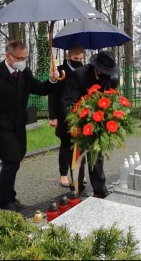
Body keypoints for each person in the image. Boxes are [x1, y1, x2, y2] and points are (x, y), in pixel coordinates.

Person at [0, 40, 59, 212]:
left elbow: (40, 88)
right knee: (11, 161)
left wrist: (51, 80)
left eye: (25, 58)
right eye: (19, 58)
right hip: (0, 127)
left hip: (18, 126)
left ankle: (11, 197)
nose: (23, 61)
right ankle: (5, 202)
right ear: (8, 56)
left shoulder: (24, 73)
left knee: (15, 161)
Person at [61, 50, 119, 198]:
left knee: (96, 154)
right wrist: (77, 122)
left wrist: (108, 117)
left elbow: (112, 98)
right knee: (78, 155)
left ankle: (99, 189)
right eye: (103, 71)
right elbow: (69, 102)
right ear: (97, 68)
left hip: (98, 119)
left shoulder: (111, 77)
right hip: (79, 118)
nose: (106, 74)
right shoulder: (80, 75)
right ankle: (76, 188)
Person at [48, 45, 86, 187]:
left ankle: (78, 174)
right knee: (66, 144)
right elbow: (53, 95)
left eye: (81, 59)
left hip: (81, 113)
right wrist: (53, 116)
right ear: (68, 57)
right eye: (75, 58)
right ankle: (63, 174)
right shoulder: (60, 71)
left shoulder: (84, 71)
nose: (78, 61)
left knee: (81, 145)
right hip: (62, 113)